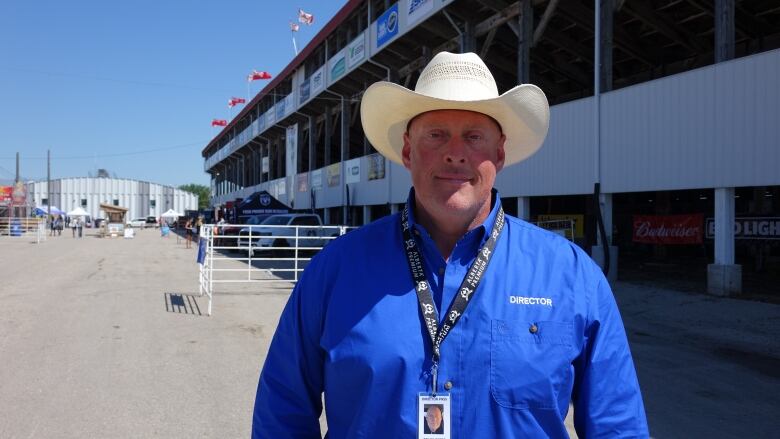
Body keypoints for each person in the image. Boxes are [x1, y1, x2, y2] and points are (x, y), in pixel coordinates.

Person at [253, 52, 648, 437]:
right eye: (436, 135)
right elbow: (282, 413)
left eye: (474, 136)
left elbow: (618, 426)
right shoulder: (335, 270)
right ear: (408, 151)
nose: (455, 153)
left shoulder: (571, 276)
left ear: (499, 153)